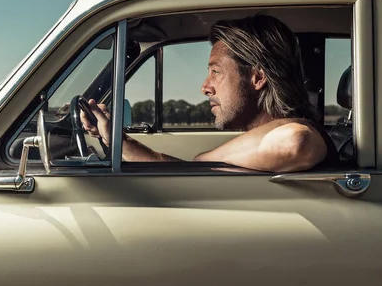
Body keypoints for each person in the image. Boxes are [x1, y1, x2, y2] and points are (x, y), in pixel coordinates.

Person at [81, 14, 336, 173]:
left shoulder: (301, 130)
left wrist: (203, 160)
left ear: (257, 77)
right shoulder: (262, 148)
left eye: (216, 72)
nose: (205, 86)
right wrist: (116, 140)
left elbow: (295, 142)